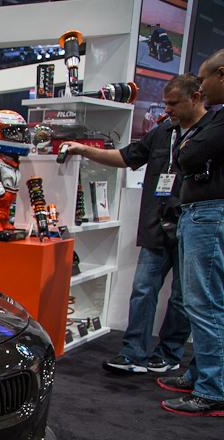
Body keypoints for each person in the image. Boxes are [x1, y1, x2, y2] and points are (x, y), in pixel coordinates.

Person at [63, 74, 206, 378]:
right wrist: (83, 149)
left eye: (173, 103)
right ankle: (133, 353)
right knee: (143, 289)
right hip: (156, 225)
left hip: (193, 226)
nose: (167, 110)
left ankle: (169, 354)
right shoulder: (163, 132)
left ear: (195, 98)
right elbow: (126, 157)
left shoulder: (211, 132)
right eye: (165, 103)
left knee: (182, 297)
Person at [159, 50, 224, 417]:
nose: (203, 86)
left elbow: (191, 155)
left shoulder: (220, 120)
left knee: (205, 304)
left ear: (221, 74)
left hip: (209, 214)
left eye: (205, 78)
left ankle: (212, 389)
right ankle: (203, 376)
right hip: (203, 213)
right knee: (205, 303)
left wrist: (188, 148)